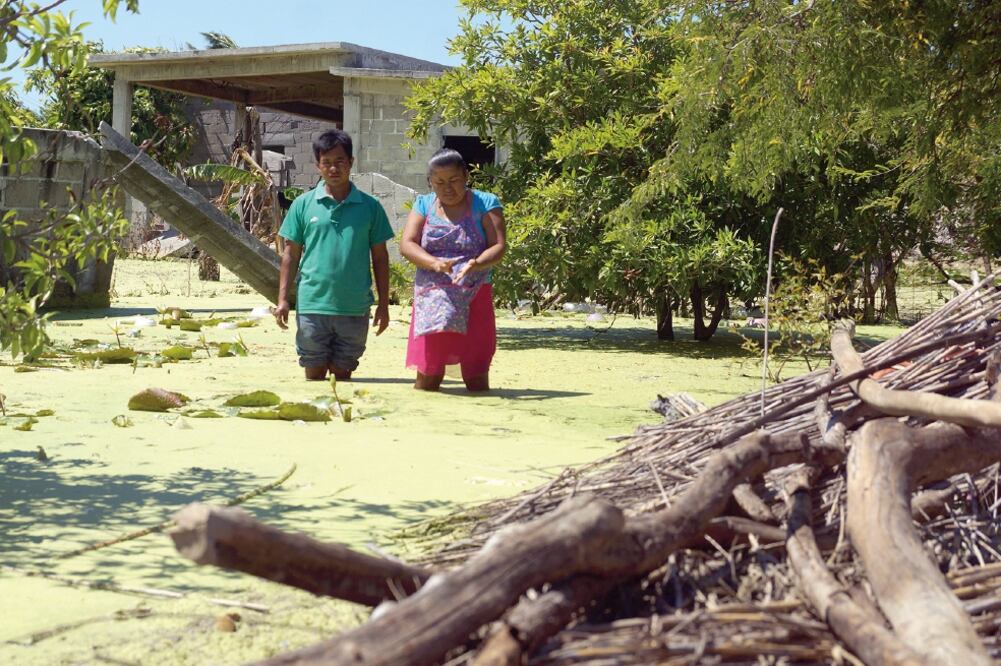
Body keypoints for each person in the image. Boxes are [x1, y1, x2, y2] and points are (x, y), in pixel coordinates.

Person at [273, 129, 394, 381]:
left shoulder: (371, 207)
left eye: (340, 161)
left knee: (343, 377)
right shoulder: (303, 205)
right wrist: (283, 299)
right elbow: (290, 255)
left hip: (354, 308)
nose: (333, 169)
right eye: (326, 163)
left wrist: (383, 304)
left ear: (351, 162)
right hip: (312, 307)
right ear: (318, 165)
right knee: (314, 376)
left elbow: (381, 259)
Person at [400, 148, 507, 391]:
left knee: (476, 376)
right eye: (439, 182)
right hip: (432, 298)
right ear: (430, 182)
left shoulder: (486, 203)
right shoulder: (424, 204)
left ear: (466, 176)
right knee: (428, 377)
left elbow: (499, 246)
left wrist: (477, 263)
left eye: (454, 180)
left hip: (474, 294)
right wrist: (435, 263)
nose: (447, 188)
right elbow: (407, 244)